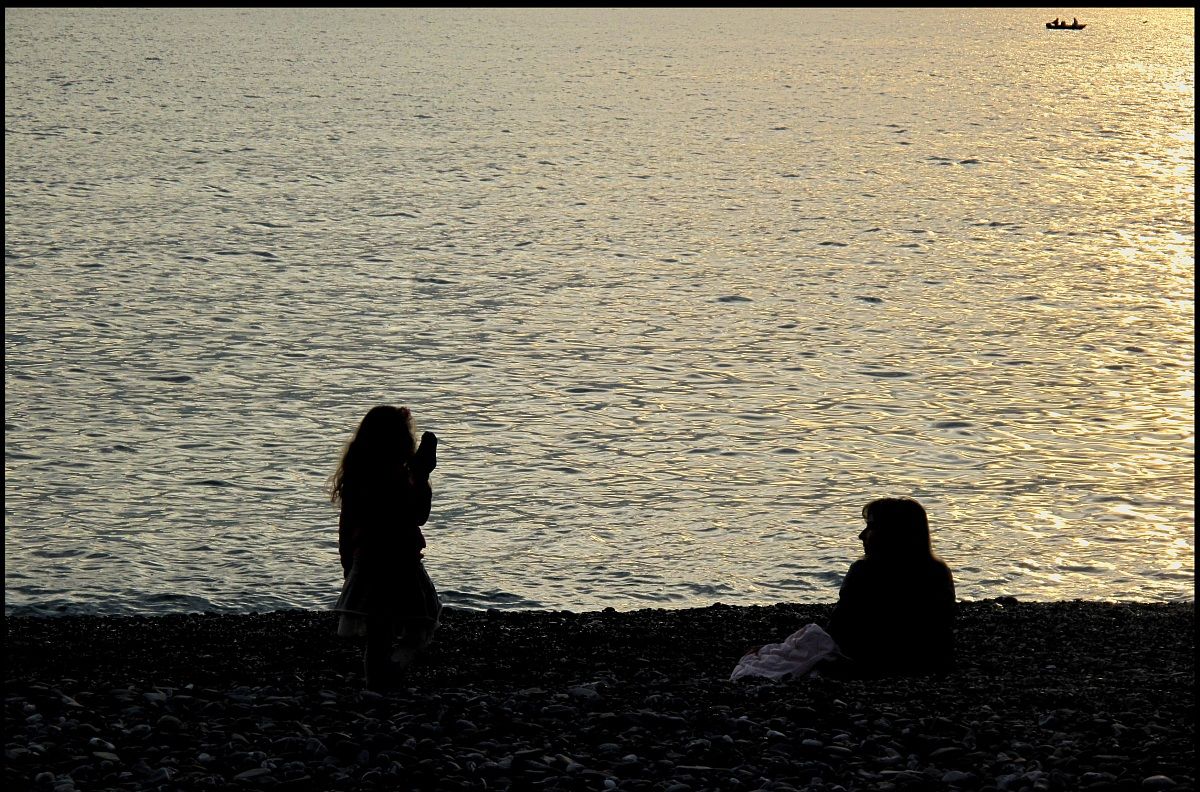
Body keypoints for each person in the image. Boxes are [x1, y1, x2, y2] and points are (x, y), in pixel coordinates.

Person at [329, 405, 442, 691]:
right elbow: (418, 515)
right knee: (419, 624)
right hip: (401, 561)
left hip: (368, 560)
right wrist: (423, 475)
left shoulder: (359, 475)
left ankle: (376, 682)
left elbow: (347, 524)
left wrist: (347, 563)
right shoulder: (400, 476)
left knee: (379, 633)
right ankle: (387, 676)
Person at [825, 497, 956, 676]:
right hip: (928, 661)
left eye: (870, 527)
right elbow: (941, 628)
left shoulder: (864, 572)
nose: (861, 535)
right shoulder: (938, 572)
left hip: (871, 661)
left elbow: (840, 628)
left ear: (889, 533)